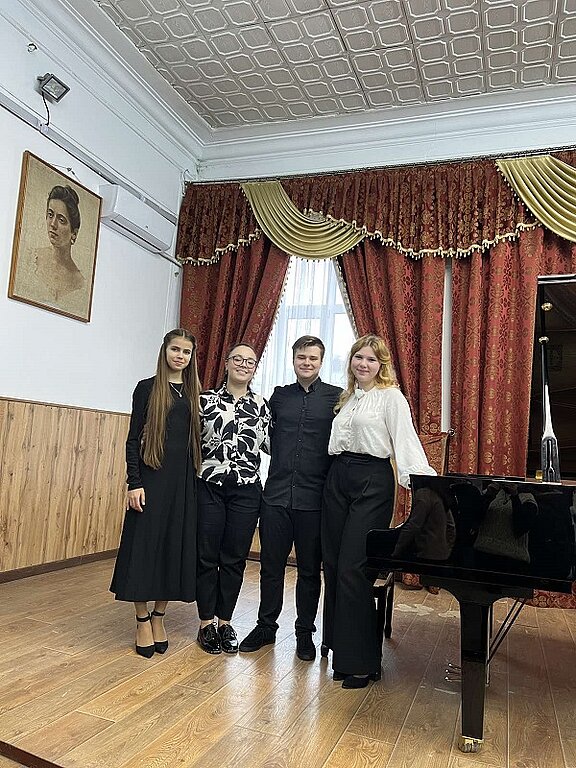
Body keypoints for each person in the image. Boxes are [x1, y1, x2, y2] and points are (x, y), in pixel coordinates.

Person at [322, 334, 436, 688]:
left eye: (372, 359)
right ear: (351, 361)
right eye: (359, 357)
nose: (364, 364)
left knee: (353, 569)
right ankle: (342, 654)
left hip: (372, 481)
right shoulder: (346, 398)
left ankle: (362, 663)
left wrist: (424, 486)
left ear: (381, 365)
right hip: (337, 477)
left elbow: (405, 442)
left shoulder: (391, 398)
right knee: (333, 564)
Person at [239, 336, 342, 660]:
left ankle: (304, 633)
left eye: (313, 358)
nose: (306, 362)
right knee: (270, 567)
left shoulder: (336, 398)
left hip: (314, 501)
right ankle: (266, 627)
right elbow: (261, 436)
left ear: (321, 361)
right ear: (293, 359)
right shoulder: (279, 396)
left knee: (309, 571)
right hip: (276, 497)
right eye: (301, 357)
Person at [110, 328, 202, 658]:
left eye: (186, 352)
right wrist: (133, 482)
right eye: (175, 349)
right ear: (165, 351)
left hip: (183, 482)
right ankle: (141, 619)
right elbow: (133, 439)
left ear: (191, 357)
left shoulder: (194, 393)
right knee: (143, 548)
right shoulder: (146, 388)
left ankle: (159, 616)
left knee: (172, 548)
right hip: (151, 478)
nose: (180, 356)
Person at [196, 343, 271, 655]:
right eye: (237, 359)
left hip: (247, 490)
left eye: (250, 361)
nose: (243, 364)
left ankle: (224, 622)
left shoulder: (262, 406)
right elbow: (189, 443)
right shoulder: (204, 401)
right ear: (226, 363)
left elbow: (272, 447)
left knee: (235, 557)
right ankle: (205, 623)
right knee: (206, 555)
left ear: (254, 369)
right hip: (209, 486)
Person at [28, 185, 85, 304]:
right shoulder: (32, 257)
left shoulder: (79, 282)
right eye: (50, 215)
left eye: (61, 220)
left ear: (74, 234)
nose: (53, 224)